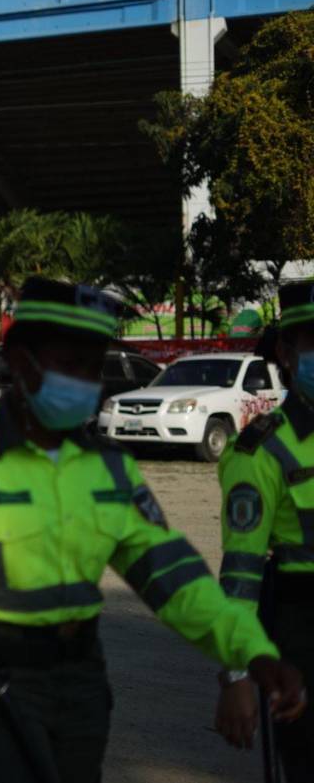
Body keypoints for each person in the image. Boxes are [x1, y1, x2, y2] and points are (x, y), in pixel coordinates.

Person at [0, 277, 306, 783]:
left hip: (82, 686)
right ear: (22, 362)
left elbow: (174, 578)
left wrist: (251, 652)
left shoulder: (110, 468)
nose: (85, 381)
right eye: (70, 363)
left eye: (93, 367)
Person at [214, 283, 314, 778]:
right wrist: (236, 673)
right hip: (302, 637)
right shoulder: (260, 452)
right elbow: (240, 575)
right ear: (287, 351)